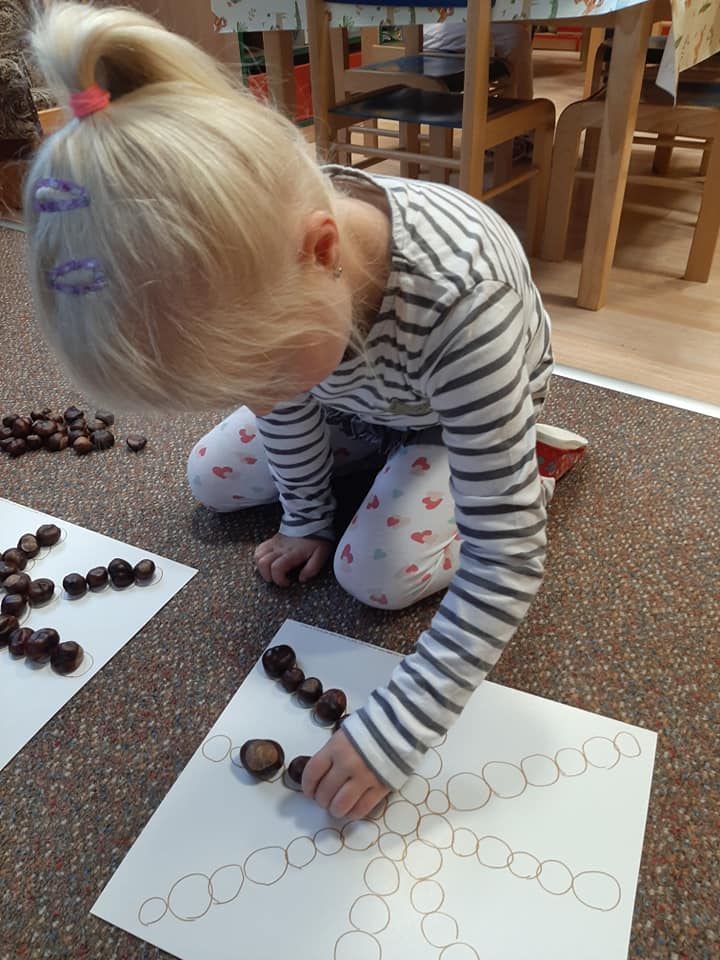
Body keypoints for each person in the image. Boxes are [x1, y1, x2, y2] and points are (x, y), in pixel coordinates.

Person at [25, 2, 587, 822]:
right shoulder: (276, 278)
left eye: (260, 372)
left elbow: (507, 561)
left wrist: (393, 734)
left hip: (453, 416)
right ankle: (363, 472)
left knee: (374, 575)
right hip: (359, 399)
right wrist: (307, 518)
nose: (258, 397)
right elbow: (285, 402)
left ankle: (532, 465)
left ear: (323, 252)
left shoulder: (466, 305)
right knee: (210, 476)